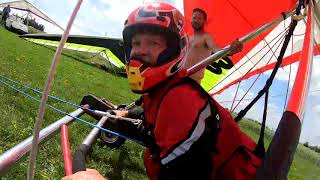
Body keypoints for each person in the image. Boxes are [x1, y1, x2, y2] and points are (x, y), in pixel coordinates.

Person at [63, 3, 261, 180]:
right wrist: (128, 114)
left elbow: (218, 51)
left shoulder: (182, 103)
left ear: (173, 50)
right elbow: (157, 118)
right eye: (136, 43)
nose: (140, 50)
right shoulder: (160, 91)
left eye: (153, 43)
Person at [185, 8, 243, 83]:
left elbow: (216, 49)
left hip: (191, 81)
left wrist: (230, 51)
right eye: (194, 18)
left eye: (199, 18)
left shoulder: (206, 37)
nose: (196, 20)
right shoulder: (188, 38)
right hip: (178, 76)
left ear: (204, 21)